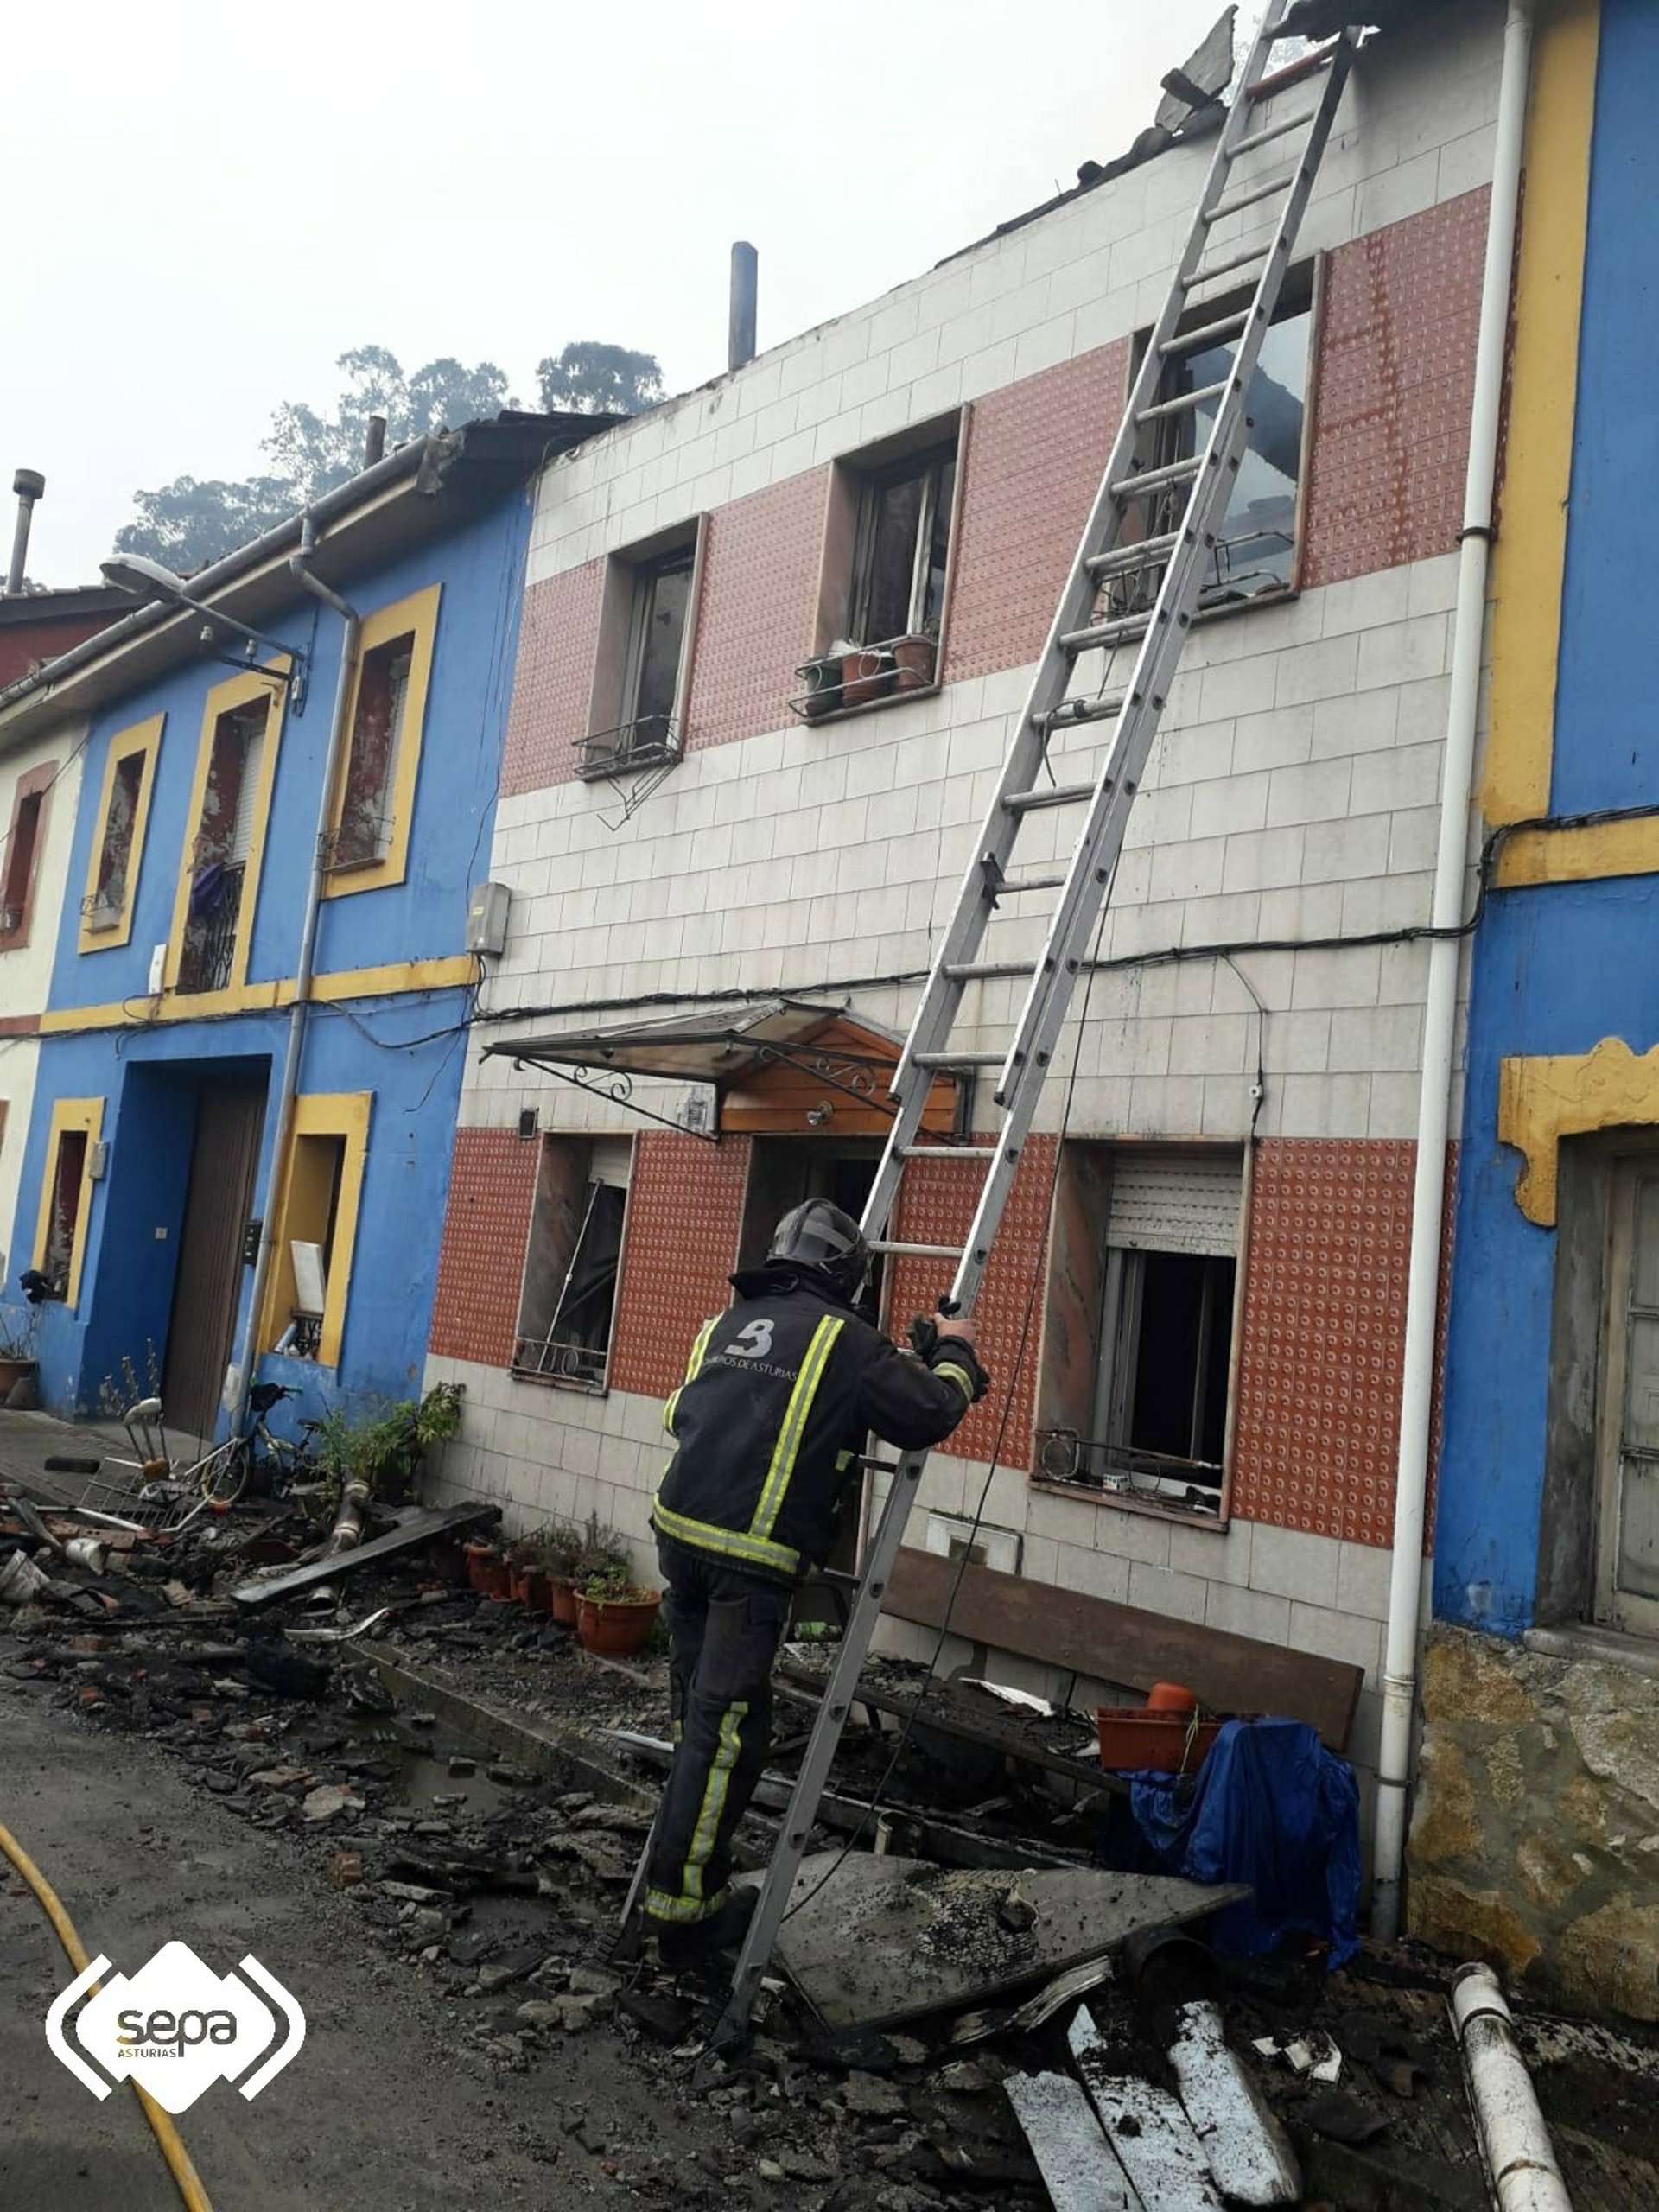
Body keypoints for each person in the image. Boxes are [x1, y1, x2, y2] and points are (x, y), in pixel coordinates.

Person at [644, 1198, 990, 1967]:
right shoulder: (847, 1340)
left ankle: (679, 1871)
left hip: (678, 1536)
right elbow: (929, 1412)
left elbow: (681, 1415)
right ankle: (684, 1916)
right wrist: (956, 1352)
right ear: (846, 1273)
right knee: (727, 1732)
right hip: (747, 1562)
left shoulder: (725, 1322)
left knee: (699, 1718)